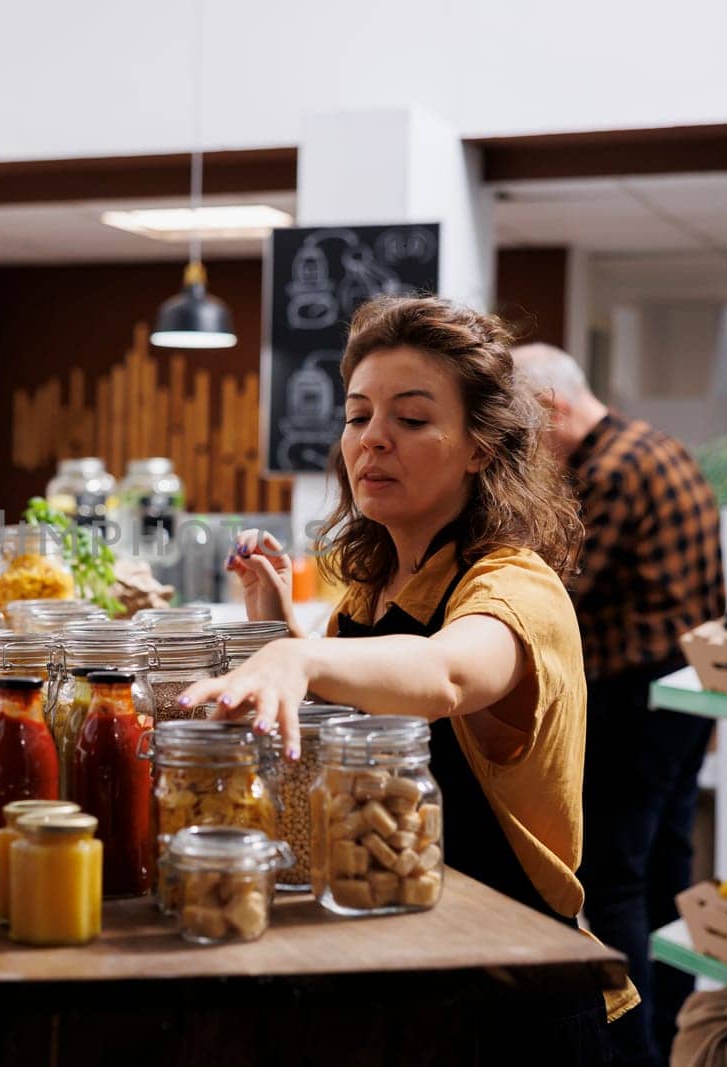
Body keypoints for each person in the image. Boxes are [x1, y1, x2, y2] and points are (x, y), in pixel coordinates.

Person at [178, 295, 633, 1062]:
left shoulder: (515, 584)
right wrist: (280, 629)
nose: (372, 440)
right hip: (405, 968)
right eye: (358, 416)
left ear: (480, 447)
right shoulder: (377, 583)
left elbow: (447, 673)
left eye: (413, 419)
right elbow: (360, 704)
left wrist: (305, 656)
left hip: (513, 1000)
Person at [514, 342, 724, 1067]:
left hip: (636, 697)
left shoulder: (608, 470)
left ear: (554, 409)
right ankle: (674, 1034)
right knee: (666, 868)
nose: (523, 444)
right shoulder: (655, 444)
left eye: (522, 425)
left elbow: (555, 593)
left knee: (615, 878)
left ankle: (632, 1051)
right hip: (686, 690)